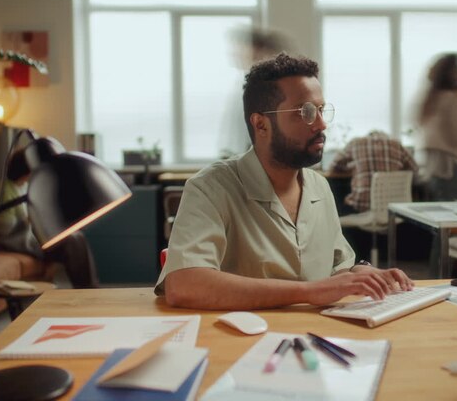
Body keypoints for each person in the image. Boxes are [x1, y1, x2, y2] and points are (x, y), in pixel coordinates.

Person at [155, 53, 414, 310]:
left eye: (321, 110)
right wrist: (310, 292)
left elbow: (338, 266)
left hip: (319, 335)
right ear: (261, 124)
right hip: (242, 340)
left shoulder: (319, 186)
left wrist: (365, 275)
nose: (321, 124)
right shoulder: (210, 188)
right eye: (306, 112)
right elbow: (184, 285)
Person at [0, 150, 99, 288]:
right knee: (71, 241)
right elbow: (3, 229)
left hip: (32, 235)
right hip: (15, 240)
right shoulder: (3, 190)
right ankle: (86, 289)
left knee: (76, 235)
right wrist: (29, 219)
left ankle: (89, 287)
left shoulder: (24, 186)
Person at [218, 28, 291, 158]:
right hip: (237, 159)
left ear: (259, 52)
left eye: (242, 49)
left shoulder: (271, 88)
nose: (236, 54)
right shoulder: (242, 83)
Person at [417, 54, 457, 201]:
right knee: (454, 216)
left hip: (431, 167)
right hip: (450, 168)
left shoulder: (431, 97)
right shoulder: (452, 98)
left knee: (436, 216)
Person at [328, 130, 417, 213]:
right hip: (394, 210)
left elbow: (335, 165)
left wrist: (354, 167)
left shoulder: (356, 143)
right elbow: (414, 169)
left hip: (361, 207)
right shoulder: (397, 144)